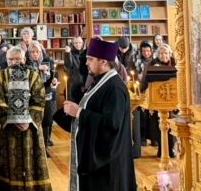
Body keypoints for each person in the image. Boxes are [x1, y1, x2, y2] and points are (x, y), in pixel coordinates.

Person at [58, 38, 137, 191]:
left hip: (107, 166)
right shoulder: (101, 82)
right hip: (99, 164)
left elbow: (111, 125)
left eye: (90, 59)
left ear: (103, 62)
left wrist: (79, 112)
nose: (86, 63)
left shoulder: (113, 88)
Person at [0, 47, 52, 191]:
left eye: (17, 59)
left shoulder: (33, 76)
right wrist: (13, 119)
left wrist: (28, 120)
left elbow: (39, 100)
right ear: (6, 61)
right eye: (10, 59)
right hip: (8, 129)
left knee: (31, 159)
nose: (14, 62)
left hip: (30, 128)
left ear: (24, 60)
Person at [29, 43, 58, 155]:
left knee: (46, 121)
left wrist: (54, 79)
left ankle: (45, 147)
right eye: (33, 52)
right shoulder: (27, 62)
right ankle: (33, 147)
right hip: (33, 96)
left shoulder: (48, 60)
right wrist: (37, 68)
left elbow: (54, 74)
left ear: (41, 52)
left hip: (46, 94)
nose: (35, 54)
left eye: (37, 52)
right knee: (33, 121)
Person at [116, 36, 142, 158]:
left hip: (132, 86)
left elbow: (138, 68)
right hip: (119, 83)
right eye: (121, 48)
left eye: (125, 48)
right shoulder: (114, 51)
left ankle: (135, 150)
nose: (123, 51)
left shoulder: (135, 52)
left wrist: (133, 77)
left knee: (134, 117)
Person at [64, 37, 86, 104]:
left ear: (82, 44)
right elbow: (68, 65)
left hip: (83, 84)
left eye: (79, 43)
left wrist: (85, 84)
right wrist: (67, 53)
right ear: (73, 44)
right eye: (76, 43)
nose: (78, 44)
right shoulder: (70, 53)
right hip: (73, 85)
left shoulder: (85, 53)